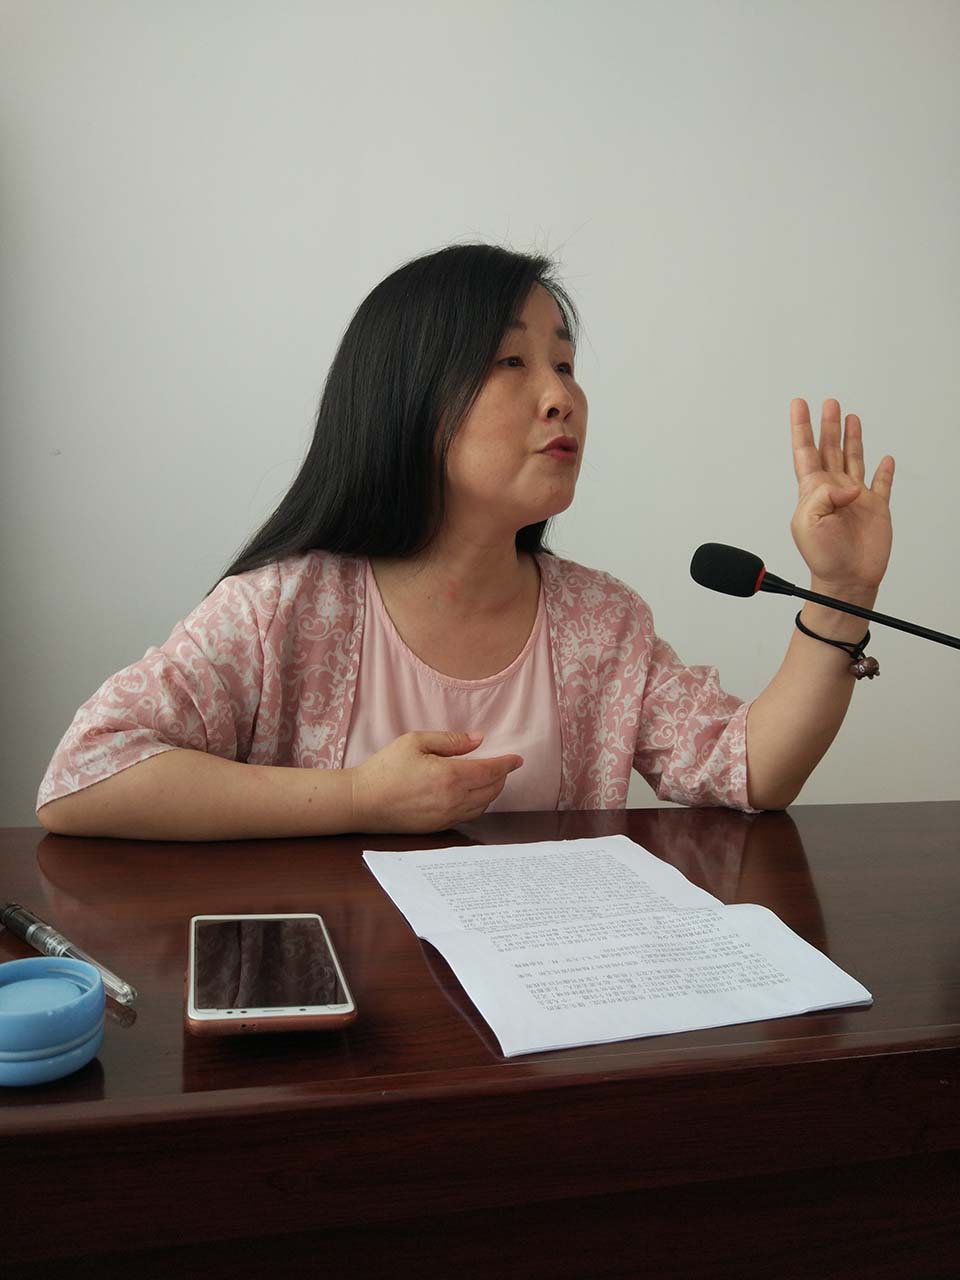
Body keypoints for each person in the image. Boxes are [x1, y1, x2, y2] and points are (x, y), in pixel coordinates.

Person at [36, 242, 895, 841]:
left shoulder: (602, 621)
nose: (560, 396)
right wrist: (358, 798)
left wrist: (845, 589)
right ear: (405, 397)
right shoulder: (284, 608)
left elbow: (749, 771)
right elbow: (85, 777)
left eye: (566, 365)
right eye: (511, 362)